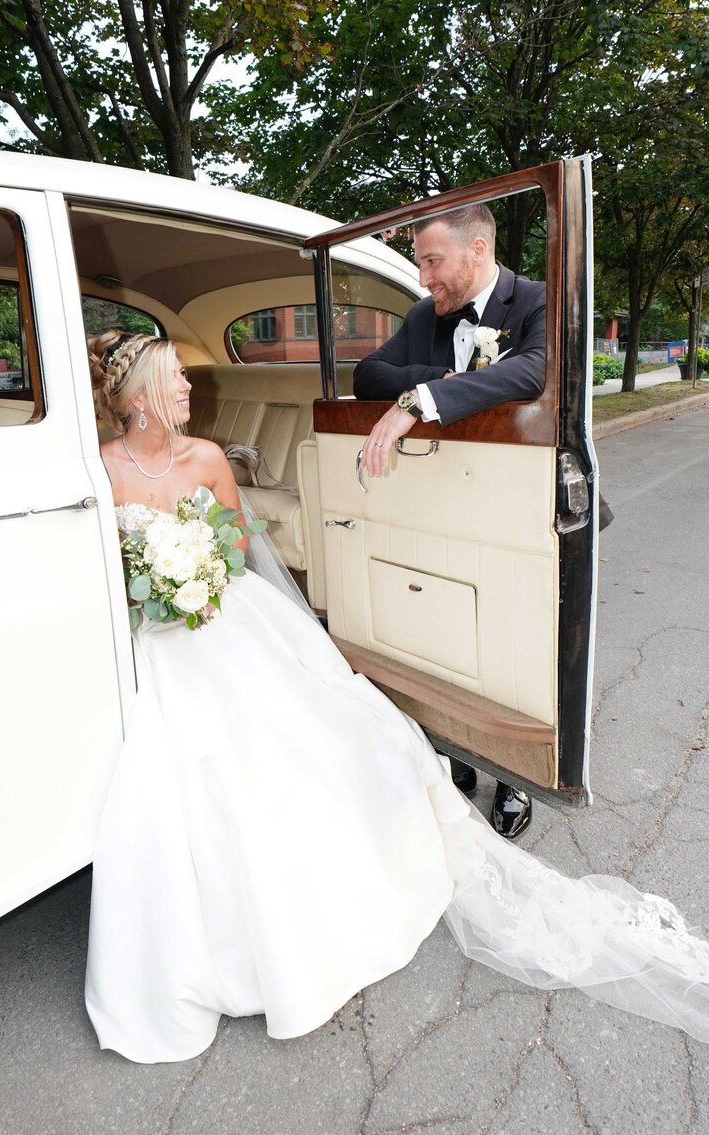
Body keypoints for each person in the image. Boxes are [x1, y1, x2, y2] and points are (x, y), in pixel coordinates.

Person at [84, 326, 709, 1065]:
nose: (190, 389)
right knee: (184, 764)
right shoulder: (98, 470)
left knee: (314, 734)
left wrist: (203, 574)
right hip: (154, 642)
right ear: (144, 400)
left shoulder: (208, 458)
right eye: (177, 381)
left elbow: (238, 544)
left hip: (223, 616)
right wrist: (153, 591)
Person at [353, 204, 544, 838]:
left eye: (432, 261)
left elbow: (533, 369)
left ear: (479, 249)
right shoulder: (420, 316)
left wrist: (420, 402)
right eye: (420, 261)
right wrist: (442, 379)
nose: (422, 275)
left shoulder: (539, 302)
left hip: (522, 508)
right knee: (452, 636)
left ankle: (518, 774)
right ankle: (462, 752)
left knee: (516, 641)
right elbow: (366, 375)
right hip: (442, 505)